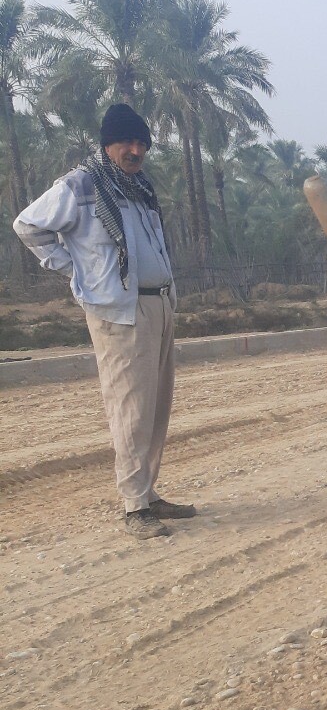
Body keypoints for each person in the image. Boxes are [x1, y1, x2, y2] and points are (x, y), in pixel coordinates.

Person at [14, 104, 194, 539]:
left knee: (155, 407)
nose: (135, 150)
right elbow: (27, 225)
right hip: (118, 311)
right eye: (126, 143)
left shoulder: (139, 188)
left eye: (142, 143)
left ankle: (148, 493)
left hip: (157, 305)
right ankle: (134, 506)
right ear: (107, 144)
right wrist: (76, 271)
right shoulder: (81, 185)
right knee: (130, 408)